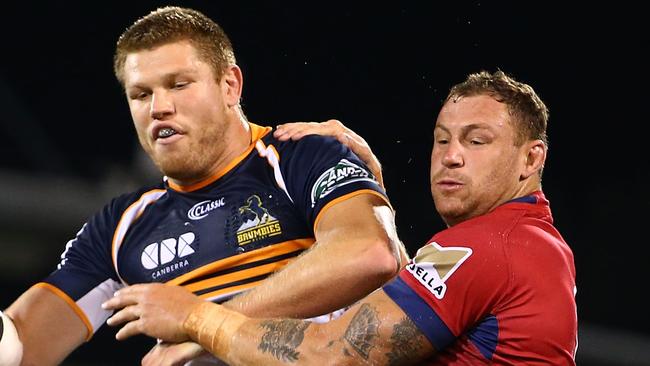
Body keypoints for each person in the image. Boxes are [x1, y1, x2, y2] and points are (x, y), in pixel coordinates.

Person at [0, 6, 408, 365]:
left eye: (179, 84)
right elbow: (20, 344)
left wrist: (200, 323)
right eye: (141, 94)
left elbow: (370, 253)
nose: (159, 107)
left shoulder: (301, 156)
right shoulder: (120, 226)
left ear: (230, 85)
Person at [103, 70, 578, 365]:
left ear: (530, 159)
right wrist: (376, 200)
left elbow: (335, 356)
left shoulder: (490, 245)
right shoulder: (520, 242)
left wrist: (195, 317)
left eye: (476, 141)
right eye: (441, 139)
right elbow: (410, 326)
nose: (451, 156)